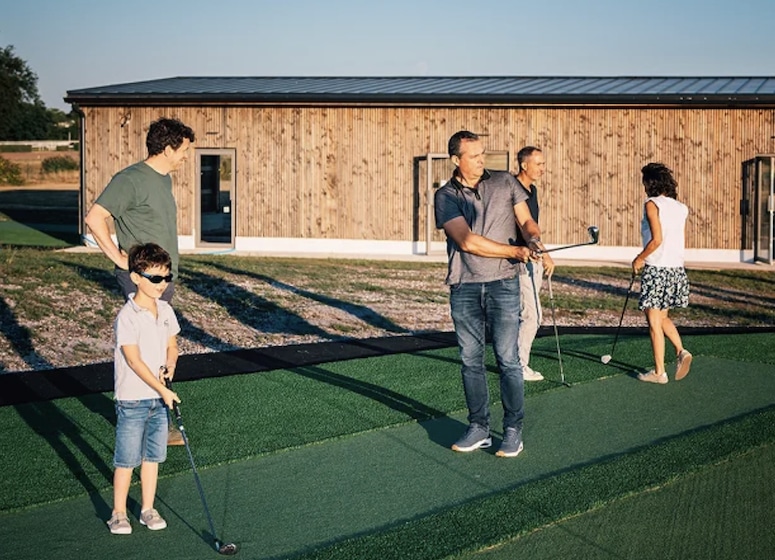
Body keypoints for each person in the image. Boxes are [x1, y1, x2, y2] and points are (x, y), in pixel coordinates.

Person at [435, 130, 547, 458]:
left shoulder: (504, 182)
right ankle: (479, 428)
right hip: (465, 287)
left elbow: (527, 221)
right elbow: (466, 241)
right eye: (474, 156)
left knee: (508, 359)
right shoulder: (446, 195)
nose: (482, 160)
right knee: (471, 360)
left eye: (483, 154)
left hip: (503, 286)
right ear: (456, 160)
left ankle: (513, 430)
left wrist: (533, 240)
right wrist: (513, 253)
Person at [85, 117, 194, 445]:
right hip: (143, 279)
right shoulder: (130, 179)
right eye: (184, 150)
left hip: (162, 278)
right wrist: (119, 259)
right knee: (144, 349)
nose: (187, 156)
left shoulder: (163, 180)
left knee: (159, 347)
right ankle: (144, 423)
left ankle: (158, 421)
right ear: (168, 147)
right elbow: (95, 217)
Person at [107, 243, 181, 535]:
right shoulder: (128, 316)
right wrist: (162, 390)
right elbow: (134, 361)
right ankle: (118, 513)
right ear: (136, 277)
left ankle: (148, 509)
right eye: (154, 278)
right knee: (127, 460)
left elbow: (172, 345)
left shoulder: (165, 310)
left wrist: (170, 366)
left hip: (157, 398)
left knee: (152, 457)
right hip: (133, 399)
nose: (161, 285)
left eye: (165, 278)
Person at [632, 162, 692, 384]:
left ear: (650, 183)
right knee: (663, 317)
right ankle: (681, 351)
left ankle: (659, 373)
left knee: (654, 323)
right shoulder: (680, 207)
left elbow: (657, 239)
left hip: (657, 268)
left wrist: (639, 258)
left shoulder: (651, 204)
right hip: (675, 269)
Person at [513, 146, 555, 381]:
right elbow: (520, 225)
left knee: (528, 313)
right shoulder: (513, 189)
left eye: (543, 163)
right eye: (538, 164)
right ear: (524, 165)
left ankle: (515, 361)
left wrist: (544, 253)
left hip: (534, 258)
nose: (542, 168)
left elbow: (532, 227)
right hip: (519, 260)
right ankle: (519, 366)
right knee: (533, 315)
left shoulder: (533, 190)